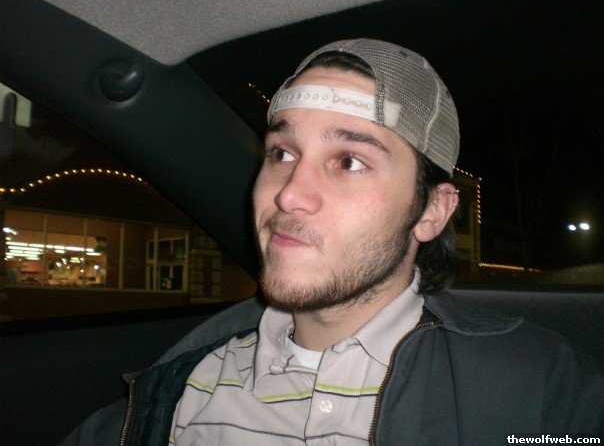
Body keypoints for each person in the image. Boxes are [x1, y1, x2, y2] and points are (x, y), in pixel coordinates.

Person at [61, 39, 603, 446]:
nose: (290, 194)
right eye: (282, 154)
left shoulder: (537, 390)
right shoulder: (175, 390)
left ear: (432, 212)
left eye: (349, 161)